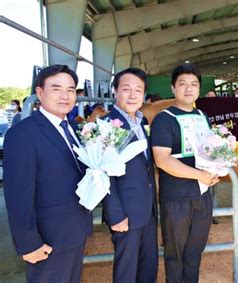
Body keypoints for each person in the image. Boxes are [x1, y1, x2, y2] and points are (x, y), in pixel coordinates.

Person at [3, 64, 93, 282]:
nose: (65, 96)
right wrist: (29, 242)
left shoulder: (73, 128)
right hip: (47, 239)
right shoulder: (23, 134)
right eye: (56, 89)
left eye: (71, 90)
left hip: (75, 231)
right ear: (40, 92)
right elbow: (17, 195)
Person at [151, 63, 219, 282]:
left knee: (194, 252)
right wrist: (200, 175)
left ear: (199, 89)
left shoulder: (203, 117)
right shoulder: (164, 119)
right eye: (183, 84)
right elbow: (162, 160)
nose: (188, 89)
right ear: (173, 88)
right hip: (177, 197)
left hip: (202, 195)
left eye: (194, 84)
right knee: (175, 254)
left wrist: (216, 169)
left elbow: (210, 153)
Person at [101, 67, 158, 283]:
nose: (133, 95)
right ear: (115, 91)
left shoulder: (142, 122)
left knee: (148, 266)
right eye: (126, 89)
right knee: (127, 271)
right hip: (125, 213)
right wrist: (115, 214)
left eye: (138, 90)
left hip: (148, 210)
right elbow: (102, 174)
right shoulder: (107, 126)